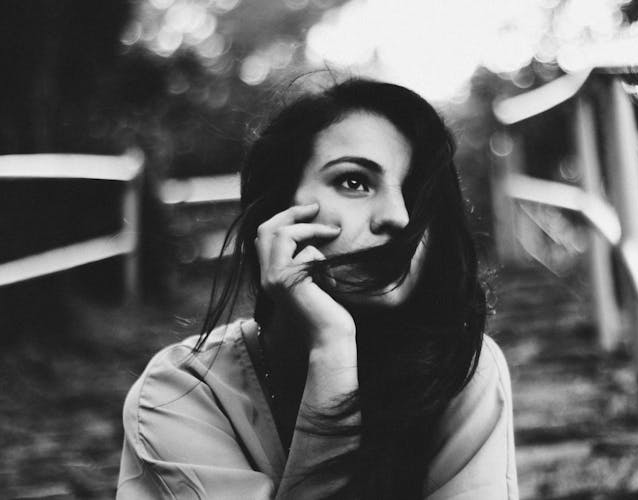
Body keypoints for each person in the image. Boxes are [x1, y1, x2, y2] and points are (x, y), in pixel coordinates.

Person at [117, 78, 518, 499]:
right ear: (277, 211)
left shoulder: (459, 370)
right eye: (354, 182)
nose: (399, 218)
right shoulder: (180, 395)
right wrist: (332, 346)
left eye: (417, 195)